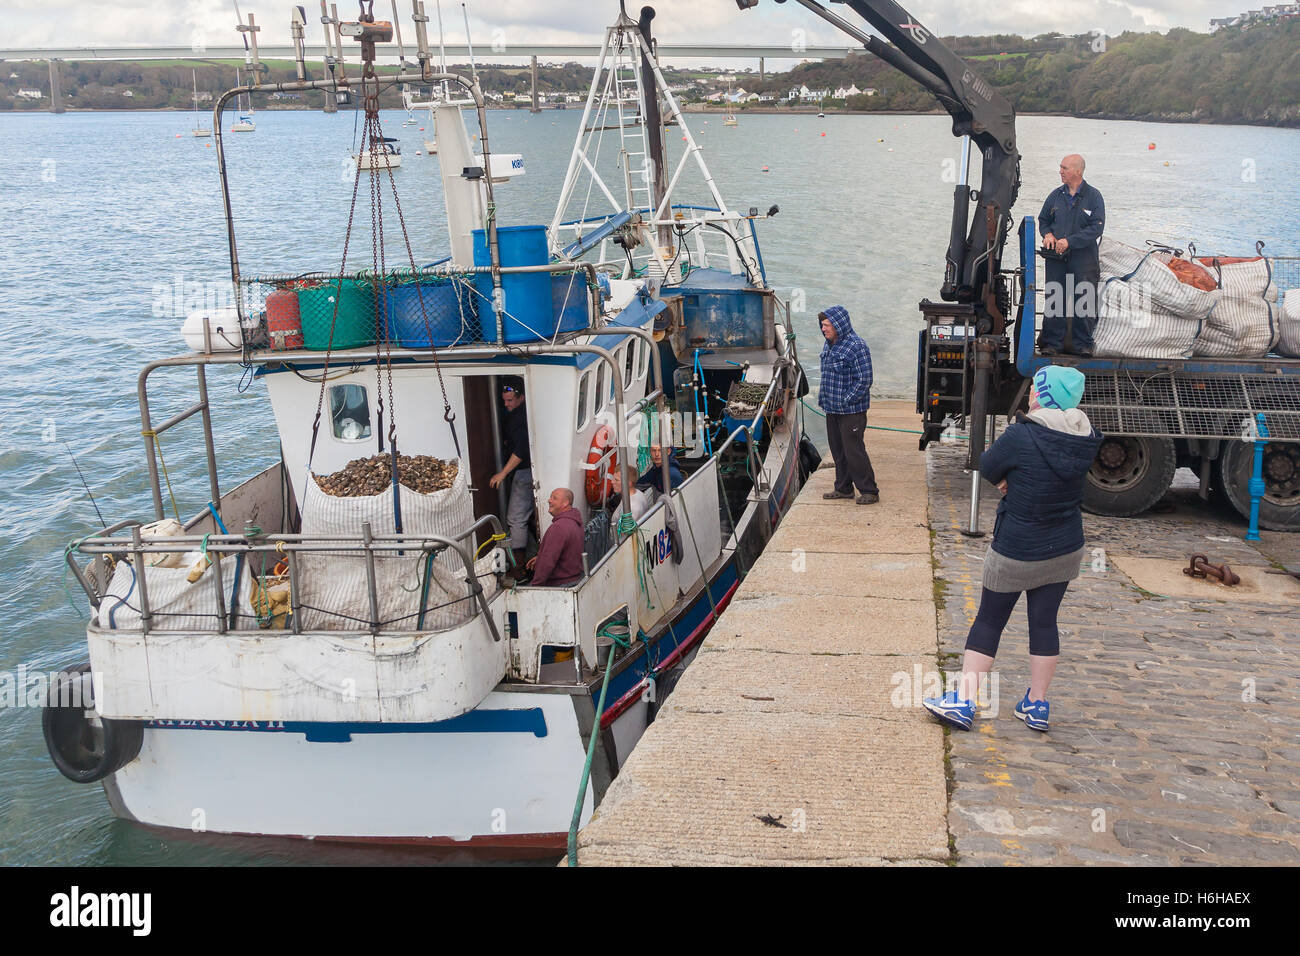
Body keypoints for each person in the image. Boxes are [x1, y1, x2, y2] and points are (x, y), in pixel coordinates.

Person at [923, 365, 1102, 733]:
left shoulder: (1022, 434)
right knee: (1044, 622)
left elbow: (985, 464)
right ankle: (1036, 705)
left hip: (1017, 548)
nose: (1032, 395)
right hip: (1065, 548)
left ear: (1047, 394)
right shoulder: (1086, 436)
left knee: (989, 619)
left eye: (1038, 389)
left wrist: (1008, 479)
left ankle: (964, 701)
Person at [1038, 154, 1105, 356]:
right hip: (1056, 258)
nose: (1060, 171)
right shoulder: (1055, 196)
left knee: (1083, 299)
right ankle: (1052, 344)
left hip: (1083, 258)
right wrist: (1047, 234)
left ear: (1078, 171)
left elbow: (1097, 228)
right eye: (1061, 167)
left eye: (1064, 168)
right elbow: (1043, 220)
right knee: (1055, 298)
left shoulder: (1094, 197)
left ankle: (1083, 344)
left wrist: (1070, 241)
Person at [816, 306, 879, 504]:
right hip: (831, 408)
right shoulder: (829, 345)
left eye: (827, 325)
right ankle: (843, 488)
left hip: (851, 410)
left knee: (854, 451)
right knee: (838, 450)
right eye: (822, 325)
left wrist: (846, 399)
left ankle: (869, 491)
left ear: (838, 325)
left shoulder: (856, 346)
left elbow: (864, 379)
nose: (823, 329)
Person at [489, 377, 532, 579]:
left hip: (524, 472)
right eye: (504, 401)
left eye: (510, 401)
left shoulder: (519, 419)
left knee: (516, 518)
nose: (506, 405)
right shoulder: (518, 413)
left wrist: (503, 473)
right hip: (524, 471)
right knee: (524, 518)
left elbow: (522, 449)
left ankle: (518, 568)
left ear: (521, 398)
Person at [527, 488, 585, 587]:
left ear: (565, 503)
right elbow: (567, 553)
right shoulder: (575, 522)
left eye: (554, 498)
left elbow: (547, 562)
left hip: (559, 585)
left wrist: (535, 587)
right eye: (550, 497)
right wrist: (540, 558)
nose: (549, 500)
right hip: (575, 580)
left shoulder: (558, 527)